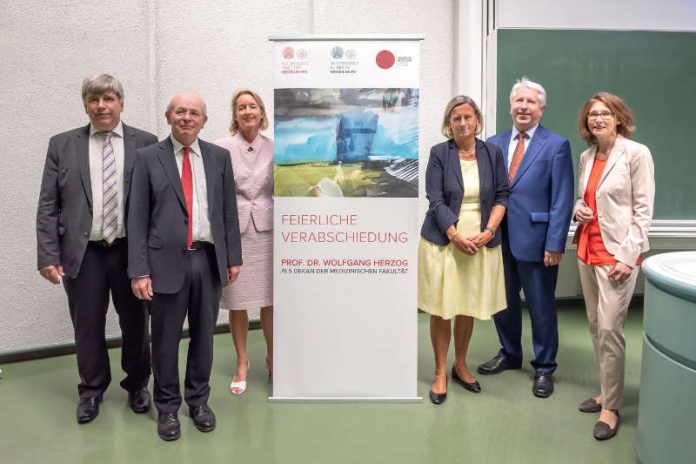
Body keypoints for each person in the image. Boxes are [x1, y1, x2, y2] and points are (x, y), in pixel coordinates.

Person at [36, 74, 155, 424]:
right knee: (86, 325)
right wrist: (48, 254)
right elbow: (48, 204)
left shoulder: (146, 143)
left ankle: (137, 385)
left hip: (129, 252)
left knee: (136, 323)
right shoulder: (62, 145)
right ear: (85, 104)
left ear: (121, 102)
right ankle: (91, 390)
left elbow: (157, 202)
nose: (101, 105)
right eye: (93, 99)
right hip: (83, 254)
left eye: (108, 98)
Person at [128, 92, 242, 441]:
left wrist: (233, 257)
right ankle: (166, 407)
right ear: (168, 116)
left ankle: (198, 402)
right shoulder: (148, 158)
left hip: (208, 261)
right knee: (164, 341)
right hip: (164, 264)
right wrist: (139, 270)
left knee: (204, 339)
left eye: (194, 113)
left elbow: (227, 212)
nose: (187, 118)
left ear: (204, 121)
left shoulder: (219, 157)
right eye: (180, 112)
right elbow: (137, 217)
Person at [478, 77, 574, 398]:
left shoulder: (557, 145)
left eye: (530, 102)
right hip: (497, 238)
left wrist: (555, 242)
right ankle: (510, 353)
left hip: (537, 239)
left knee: (540, 305)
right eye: (519, 101)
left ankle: (544, 367)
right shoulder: (493, 142)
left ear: (541, 109)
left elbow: (562, 198)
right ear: (510, 106)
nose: (523, 106)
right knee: (501, 303)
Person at [573, 92, 654, 440]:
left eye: (604, 113)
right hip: (587, 251)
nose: (598, 119)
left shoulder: (636, 154)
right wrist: (578, 207)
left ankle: (611, 408)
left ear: (618, 117)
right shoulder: (587, 155)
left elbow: (643, 211)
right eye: (592, 115)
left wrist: (629, 255)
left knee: (610, 329)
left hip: (617, 256)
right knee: (595, 326)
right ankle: (607, 390)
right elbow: (585, 196)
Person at [419, 96, 509, 405]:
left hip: (480, 241)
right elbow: (435, 199)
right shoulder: (439, 154)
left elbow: (502, 194)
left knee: (467, 304)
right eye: (455, 118)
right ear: (448, 123)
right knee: (442, 306)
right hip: (445, 241)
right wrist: (455, 234)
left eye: (467, 116)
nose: (462, 122)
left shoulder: (492, 153)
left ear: (477, 120)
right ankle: (440, 372)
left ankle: (461, 365)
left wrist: (488, 231)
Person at [213, 90, 273, 395]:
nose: (247, 111)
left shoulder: (276, 148)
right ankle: (241, 362)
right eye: (241, 107)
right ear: (235, 115)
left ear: (261, 113)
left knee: (269, 299)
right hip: (234, 232)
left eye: (252, 106)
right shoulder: (222, 149)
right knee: (238, 302)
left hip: (269, 231)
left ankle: (273, 357)